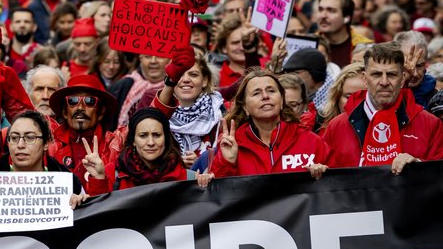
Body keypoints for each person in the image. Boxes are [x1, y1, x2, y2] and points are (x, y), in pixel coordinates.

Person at [319, 42, 443, 171]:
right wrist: (318, 170)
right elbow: (326, 179)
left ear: (402, 79)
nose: (384, 82)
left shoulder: (430, 124)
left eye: (391, 75)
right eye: (376, 74)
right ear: (365, 79)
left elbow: (439, 179)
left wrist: (418, 165)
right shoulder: (338, 126)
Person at [203, 70, 331, 182]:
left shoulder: (312, 142)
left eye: (271, 91)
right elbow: (220, 197)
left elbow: (336, 190)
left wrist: (325, 175)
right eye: (256, 93)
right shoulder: (232, 145)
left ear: (281, 101)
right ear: (245, 107)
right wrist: (227, 163)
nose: (265, 96)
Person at [0, 111, 79, 208]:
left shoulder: (70, 184)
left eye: (30, 138)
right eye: (14, 138)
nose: (20, 145)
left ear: (46, 143)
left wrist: (81, 204)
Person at [84, 108, 192, 194]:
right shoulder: (113, 173)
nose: (150, 142)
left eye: (157, 135)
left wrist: (205, 184)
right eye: (143, 135)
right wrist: (98, 179)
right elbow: (98, 214)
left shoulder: (188, 178)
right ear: (133, 141)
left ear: (166, 139)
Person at [153, 49, 222, 167]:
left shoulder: (221, 113)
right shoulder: (161, 116)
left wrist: (201, 163)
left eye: (193, 74)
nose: (185, 79)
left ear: (204, 80)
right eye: (179, 75)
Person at [316, 0, 373, 68]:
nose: (323, 15)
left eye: (331, 11)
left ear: (346, 18)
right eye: (320, 9)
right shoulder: (308, 44)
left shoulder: (365, 48)